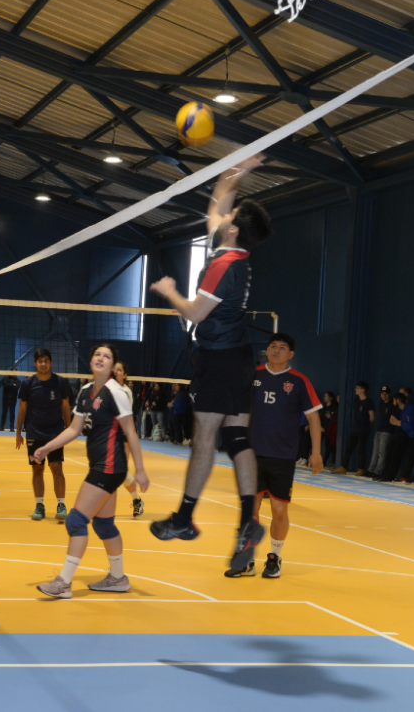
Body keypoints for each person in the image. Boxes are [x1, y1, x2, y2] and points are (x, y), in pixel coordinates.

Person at [148, 154, 274, 574]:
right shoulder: (232, 253)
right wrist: (242, 169)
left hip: (218, 359)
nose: (224, 213)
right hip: (238, 357)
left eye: (232, 215)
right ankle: (247, 523)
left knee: (204, 437)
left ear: (234, 228)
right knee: (237, 438)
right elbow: (218, 199)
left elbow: (196, 314)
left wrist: (169, 291)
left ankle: (184, 519)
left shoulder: (222, 265)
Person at [35, 344, 149, 598]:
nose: (101, 358)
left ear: (112, 366)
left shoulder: (116, 392)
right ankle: (118, 578)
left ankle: (64, 582)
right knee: (104, 524)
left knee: (76, 519)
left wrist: (139, 469)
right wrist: (47, 447)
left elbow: (130, 431)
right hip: (101, 465)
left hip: (110, 467)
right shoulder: (86, 391)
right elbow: (74, 430)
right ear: (91, 361)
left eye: (106, 356)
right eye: (97, 354)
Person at [227, 333, 322, 579]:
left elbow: (313, 418)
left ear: (291, 354)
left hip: (282, 456)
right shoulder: (253, 375)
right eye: (272, 346)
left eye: (282, 347)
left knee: (279, 510)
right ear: (266, 350)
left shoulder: (299, 381)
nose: (276, 350)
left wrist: (316, 452)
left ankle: (275, 557)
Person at [15, 348, 72, 522]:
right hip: (34, 432)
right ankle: (39, 505)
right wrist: (18, 432)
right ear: (35, 363)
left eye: (46, 360)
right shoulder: (28, 384)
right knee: (37, 469)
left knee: (57, 468)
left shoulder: (61, 382)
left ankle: (61, 505)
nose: (43, 364)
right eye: (40, 361)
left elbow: (65, 407)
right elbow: (23, 408)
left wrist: (69, 430)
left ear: (51, 363)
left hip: (55, 433)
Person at [113, 360, 145, 516]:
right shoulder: (107, 389)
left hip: (122, 435)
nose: (116, 372)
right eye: (115, 370)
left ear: (124, 375)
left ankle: (137, 500)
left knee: (120, 472)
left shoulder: (125, 391)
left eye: (120, 370)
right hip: (107, 435)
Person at [333, 381, 374, 476]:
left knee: (361, 449)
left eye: (357, 388)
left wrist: (365, 425)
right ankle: (343, 467)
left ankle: (361, 468)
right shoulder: (356, 400)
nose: (356, 389)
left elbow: (372, 416)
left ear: (363, 390)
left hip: (363, 430)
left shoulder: (368, 402)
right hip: (355, 428)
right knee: (349, 448)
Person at [391, 393, 414, 482]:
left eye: (393, 400)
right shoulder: (403, 411)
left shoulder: (411, 409)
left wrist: (400, 424)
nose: (392, 403)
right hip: (412, 436)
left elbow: (409, 425)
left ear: (398, 400)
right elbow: (404, 425)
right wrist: (402, 424)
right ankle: (405, 477)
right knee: (410, 457)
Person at [367, 387, 394, 478]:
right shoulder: (381, 403)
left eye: (386, 393)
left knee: (382, 452)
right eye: (382, 393)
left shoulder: (392, 404)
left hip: (387, 431)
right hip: (379, 430)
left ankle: (378, 471)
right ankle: (371, 470)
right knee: (375, 452)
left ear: (389, 394)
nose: (384, 395)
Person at [320, 392, 338, 467]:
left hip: (329, 429)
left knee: (329, 446)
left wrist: (325, 428)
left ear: (331, 398)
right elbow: (320, 417)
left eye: (326, 396)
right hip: (321, 428)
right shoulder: (323, 406)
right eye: (324, 396)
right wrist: (320, 426)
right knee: (316, 444)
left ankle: (326, 462)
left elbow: (333, 419)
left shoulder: (334, 407)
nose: (325, 398)